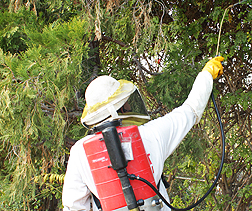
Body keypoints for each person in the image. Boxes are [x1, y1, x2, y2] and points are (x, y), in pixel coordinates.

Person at [62, 56, 224, 211]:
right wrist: (207, 74)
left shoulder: (80, 151)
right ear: (122, 107)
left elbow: (74, 206)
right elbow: (190, 110)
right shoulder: (151, 134)